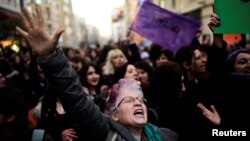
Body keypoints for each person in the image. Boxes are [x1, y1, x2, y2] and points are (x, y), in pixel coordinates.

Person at [16, 5, 178, 141]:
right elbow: (77, 100)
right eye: (129, 100)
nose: (138, 103)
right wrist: (50, 58)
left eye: (140, 100)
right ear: (114, 115)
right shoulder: (106, 134)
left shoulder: (166, 135)